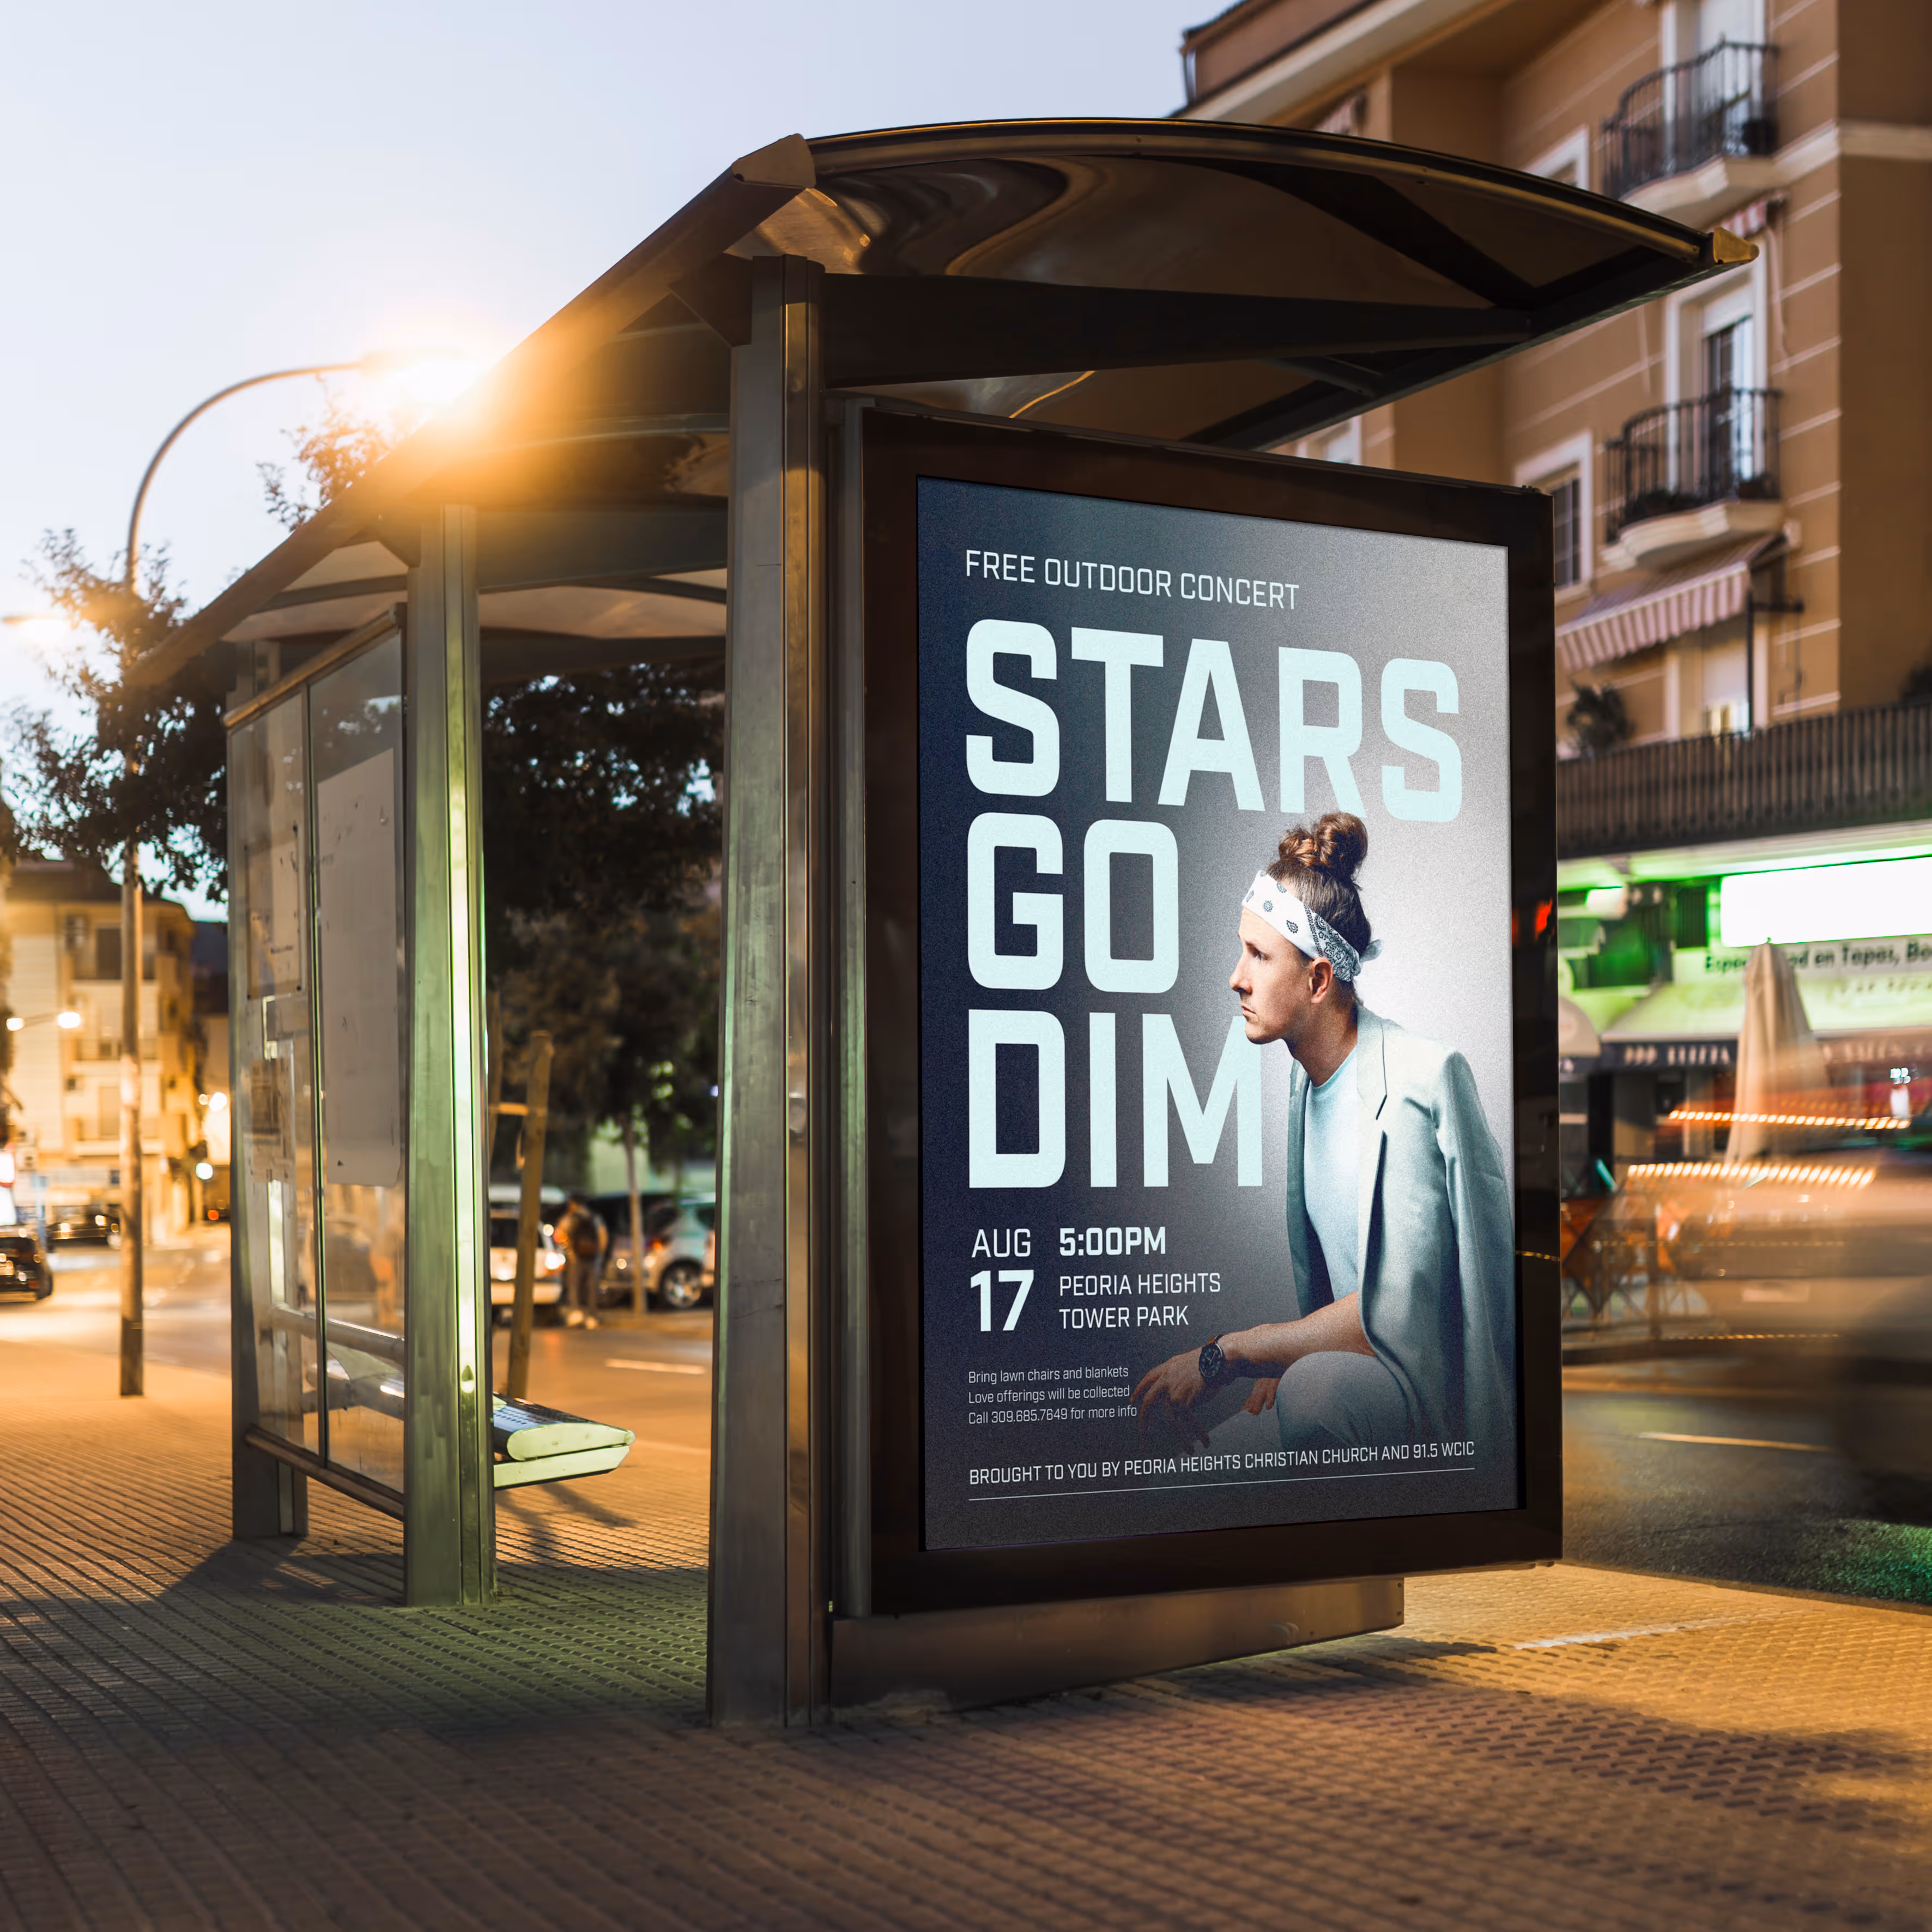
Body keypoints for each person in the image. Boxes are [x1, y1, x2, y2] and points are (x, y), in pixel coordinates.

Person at [1133, 811, 1514, 1459]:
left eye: (1258, 954)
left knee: (1311, 1394)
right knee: (1178, 1484)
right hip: (1340, 1385)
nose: (1236, 976)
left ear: (1316, 980)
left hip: (1416, 1407)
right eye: (1241, 949)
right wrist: (1285, 1360)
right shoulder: (1307, 1085)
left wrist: (1229, 1354)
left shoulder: (1423, 1078)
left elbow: (1392, 1313)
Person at [555, 1195, 608, 1329]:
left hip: (576, 1257)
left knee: (574, 1285)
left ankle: (576, 1313)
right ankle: (592, 1316)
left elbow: (558, 1235)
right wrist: (600, 1254)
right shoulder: (594, 1218)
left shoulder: (571, 1218)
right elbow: (603, 1236)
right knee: (592, 1288)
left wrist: (569, 1249)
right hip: (593, 1257)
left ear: (573, 1204)